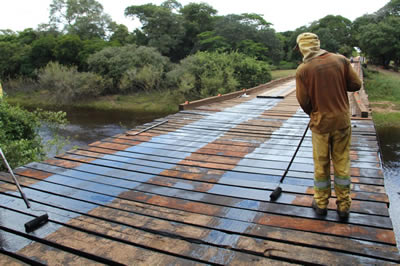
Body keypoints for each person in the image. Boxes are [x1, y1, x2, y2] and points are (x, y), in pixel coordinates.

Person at [294, 32, 362, 220]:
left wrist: (314, 114)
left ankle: (322, 204)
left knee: (321, 165)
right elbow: (356, 84)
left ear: (302, 48)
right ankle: (344, 207)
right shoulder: (340, 60)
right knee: (342, 163)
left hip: (320, 125)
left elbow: (303, 101)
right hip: (341, 122)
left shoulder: (303, 70)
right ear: (318, 44)